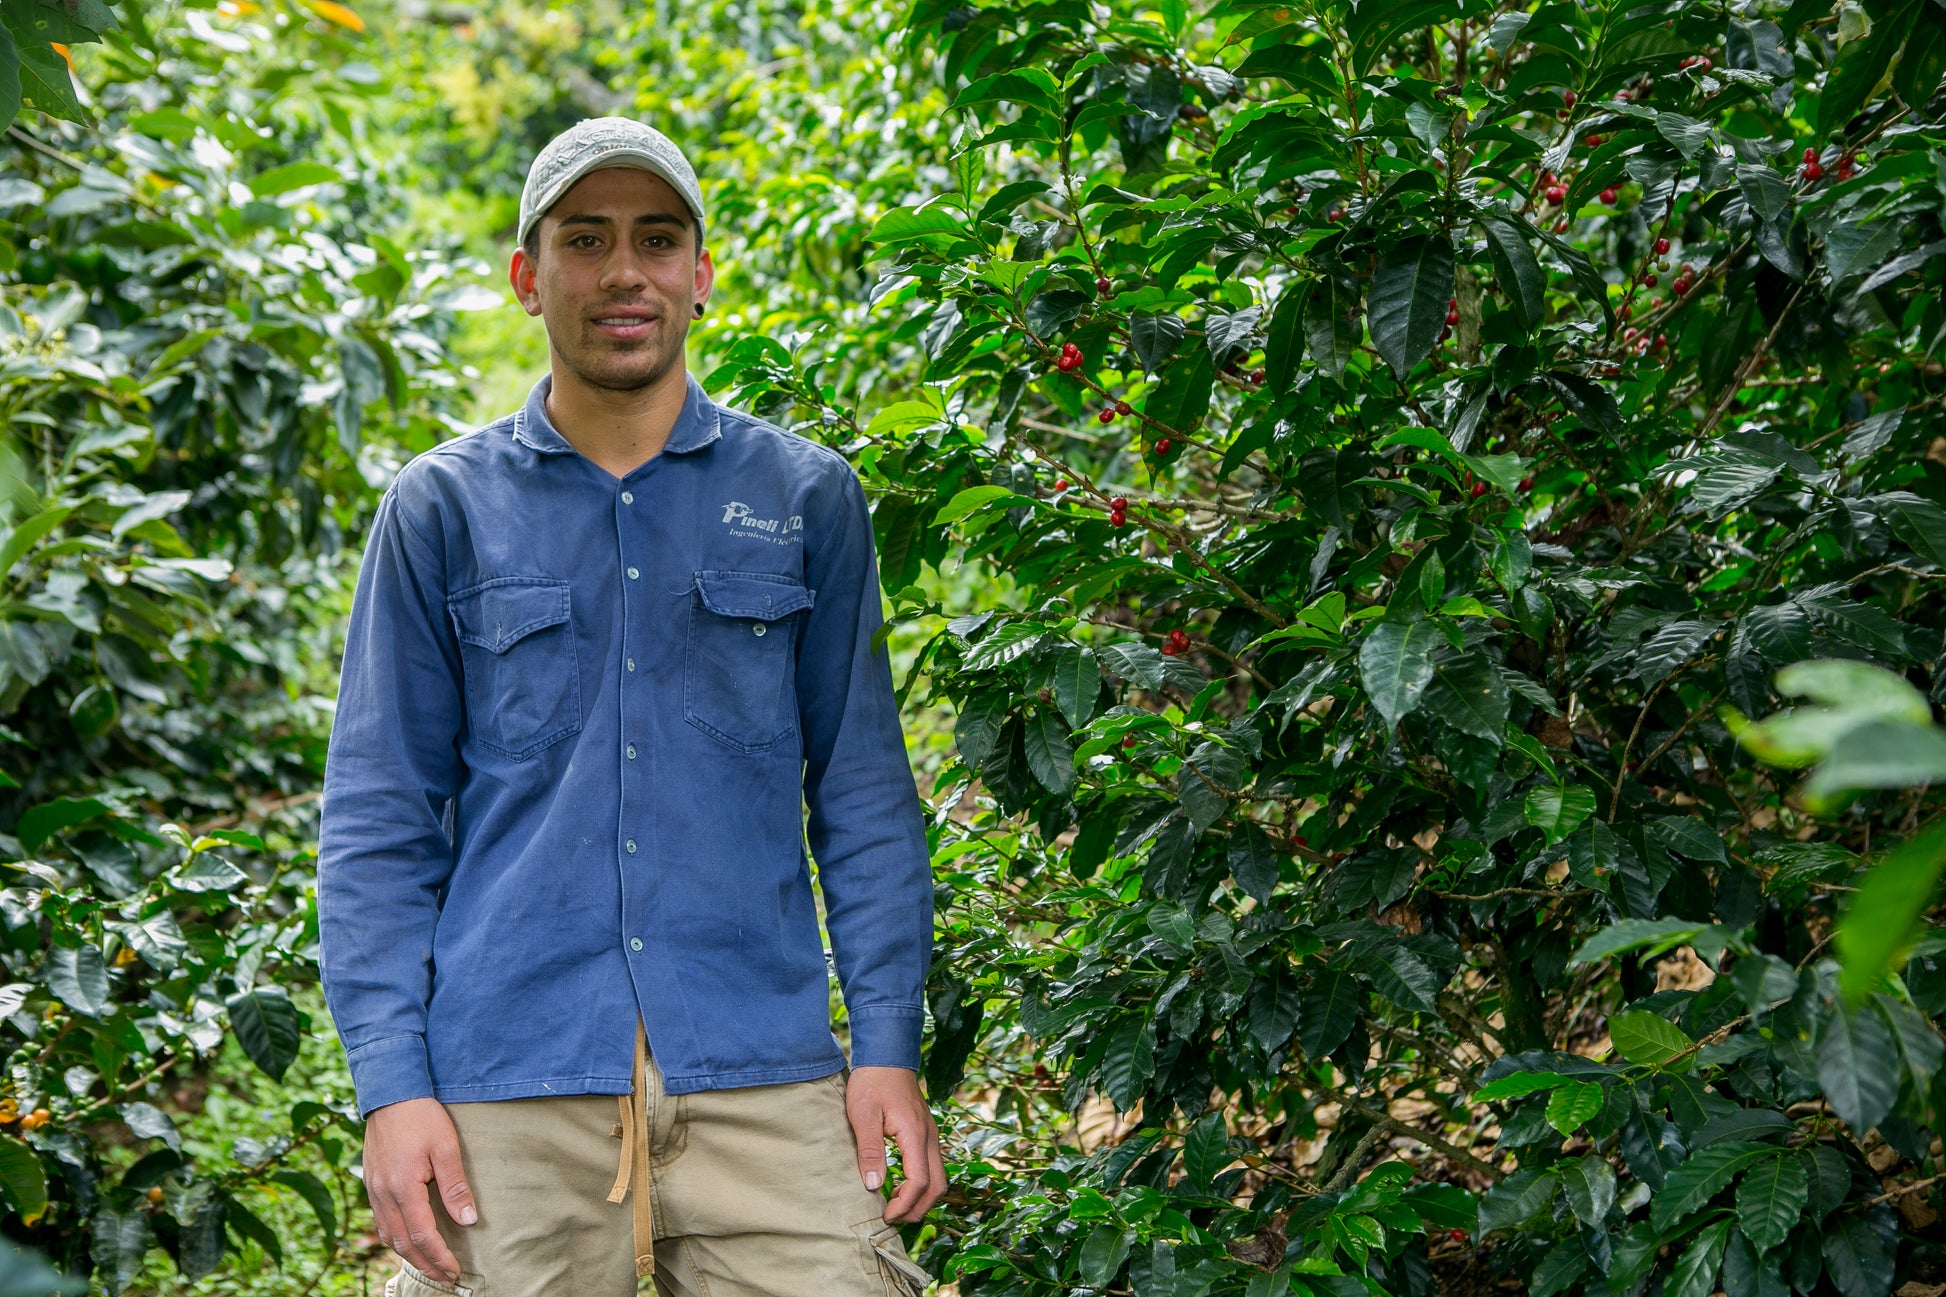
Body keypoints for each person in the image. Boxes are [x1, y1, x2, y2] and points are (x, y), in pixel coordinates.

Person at [316, 117, 943, 1297]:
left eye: (657, 241)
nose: (623, 274)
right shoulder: (439, 508)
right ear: (527, 274)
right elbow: (378, 817)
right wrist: (393, 1088)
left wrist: (888, 1050)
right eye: (584, 239)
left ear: (700, 276)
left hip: (759, 1061)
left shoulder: (804, 496)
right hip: (512, 1070)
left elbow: (860, 795)